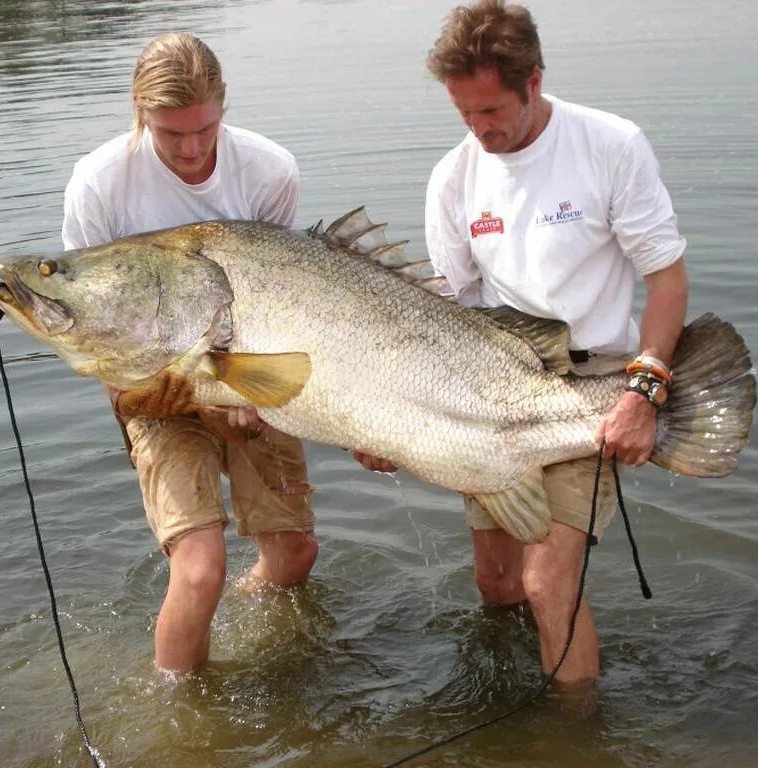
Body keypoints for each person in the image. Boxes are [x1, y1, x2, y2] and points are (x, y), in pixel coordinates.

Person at [358, 0, 688, 687]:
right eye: (464, 115)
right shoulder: (453, 179)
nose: (480, 131)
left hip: (596, 384)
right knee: (497, 582)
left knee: (545, 583)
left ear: (533, 81)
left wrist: (646, 390)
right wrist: (389, 421)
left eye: (492, 112)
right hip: (488, 381)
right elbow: (442, 324)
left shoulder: (611, 145)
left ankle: (573, 739)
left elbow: (667, 280)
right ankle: (515, 691)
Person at [61, 32, 318, 673]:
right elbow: (92, 330)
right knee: (199, 570)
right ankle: (178, 711)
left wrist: (247, 403)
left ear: (223, 108)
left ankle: (245, 612)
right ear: (139, 113)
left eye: (204, 129)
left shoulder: (269, 170)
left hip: (248, 374)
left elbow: (283, 302)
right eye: (170, 133)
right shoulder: (99, 186)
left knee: (294, 558)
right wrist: (135, 400)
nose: (191, 148)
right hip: (156, 389)